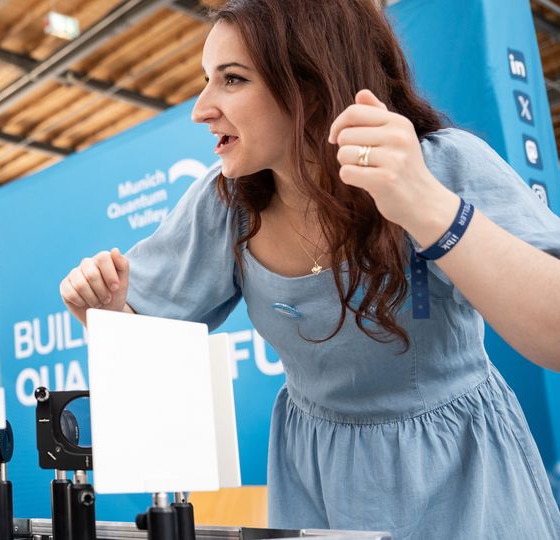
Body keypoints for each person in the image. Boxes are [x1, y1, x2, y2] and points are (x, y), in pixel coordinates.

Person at [58, 1, 560, 538]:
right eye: (207, 80)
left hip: (462, 478)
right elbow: (142, 341)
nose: (201, 108)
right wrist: (107, 315)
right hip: (313, 480)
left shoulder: (440, 162)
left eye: (231, 79)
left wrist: (428, 208)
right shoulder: (226, 205)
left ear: (311, 82)